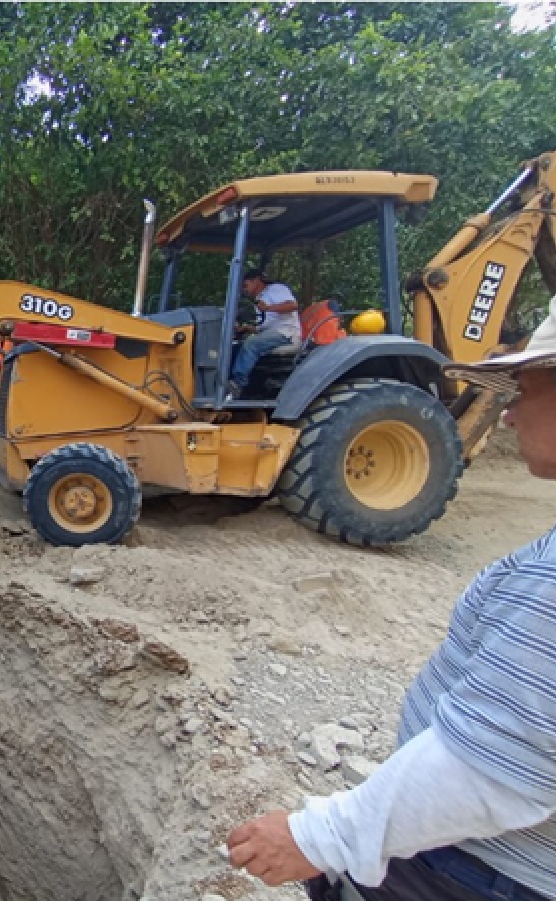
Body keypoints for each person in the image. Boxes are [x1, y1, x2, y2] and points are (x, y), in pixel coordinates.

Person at [226, 293, 556, 900]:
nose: (508, 414)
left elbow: (488, 771)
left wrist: (321, 838)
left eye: (525, 386)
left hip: (477, 875)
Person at [225, 268, 302, 401]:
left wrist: (268, 308)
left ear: (256, 281)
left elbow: (293, 305)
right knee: (236, 347)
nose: (245, 290)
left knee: (251, 344)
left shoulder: (275, 289)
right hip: (271, 334)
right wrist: (247, 328)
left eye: (246, 285)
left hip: (285, 333)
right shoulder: (260, 299)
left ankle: (237, 384)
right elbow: (265, 325)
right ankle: (228, 383)